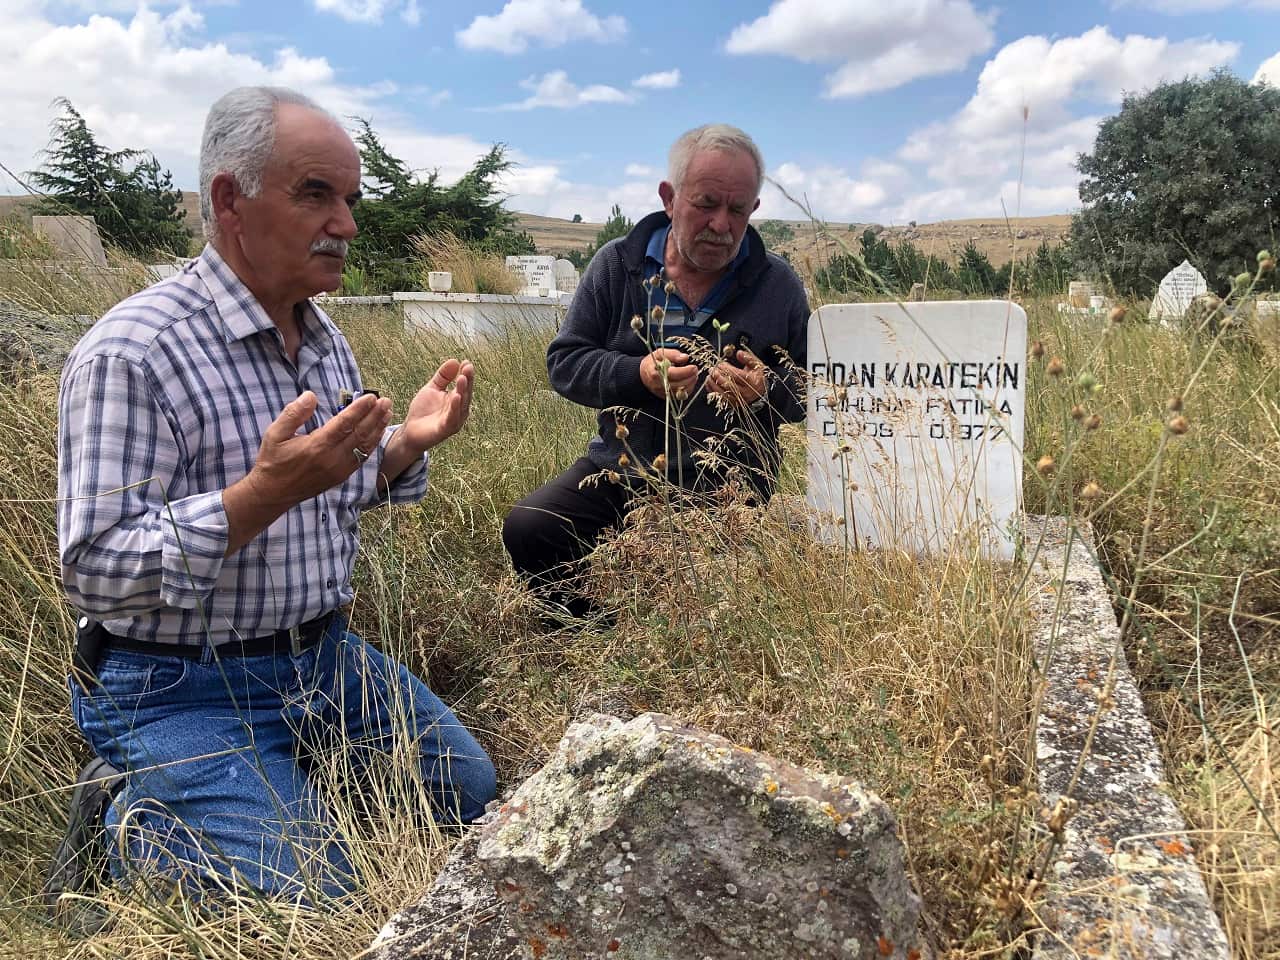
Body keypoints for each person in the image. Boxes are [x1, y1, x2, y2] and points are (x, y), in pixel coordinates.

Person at [51, 86, 496, 905]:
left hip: (323, 660)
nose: (348, 225)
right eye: (316, 194)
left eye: (352, 199)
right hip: (175, 684)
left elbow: (327, 498)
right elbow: (93, 571)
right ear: (231, 200)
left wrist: (404, 448)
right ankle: (131, 823)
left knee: (475, 799)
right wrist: (256, 496)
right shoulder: (134, 353)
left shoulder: (323, 340)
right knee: (317, 894)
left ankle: (268, 790)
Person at [502, 124, 809, 620]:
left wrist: (763, 391)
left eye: (736, 210)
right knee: (532, 527)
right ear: (669, 198)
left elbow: (814, 390)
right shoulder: (616, 265)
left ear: (753, 209)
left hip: (731, 487)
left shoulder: (778, 285)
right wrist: (636, 374)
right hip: (621, 470)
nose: (721, 225)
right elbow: (564, 361)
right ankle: (592, 639)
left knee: (713, 606)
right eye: (705, 203)